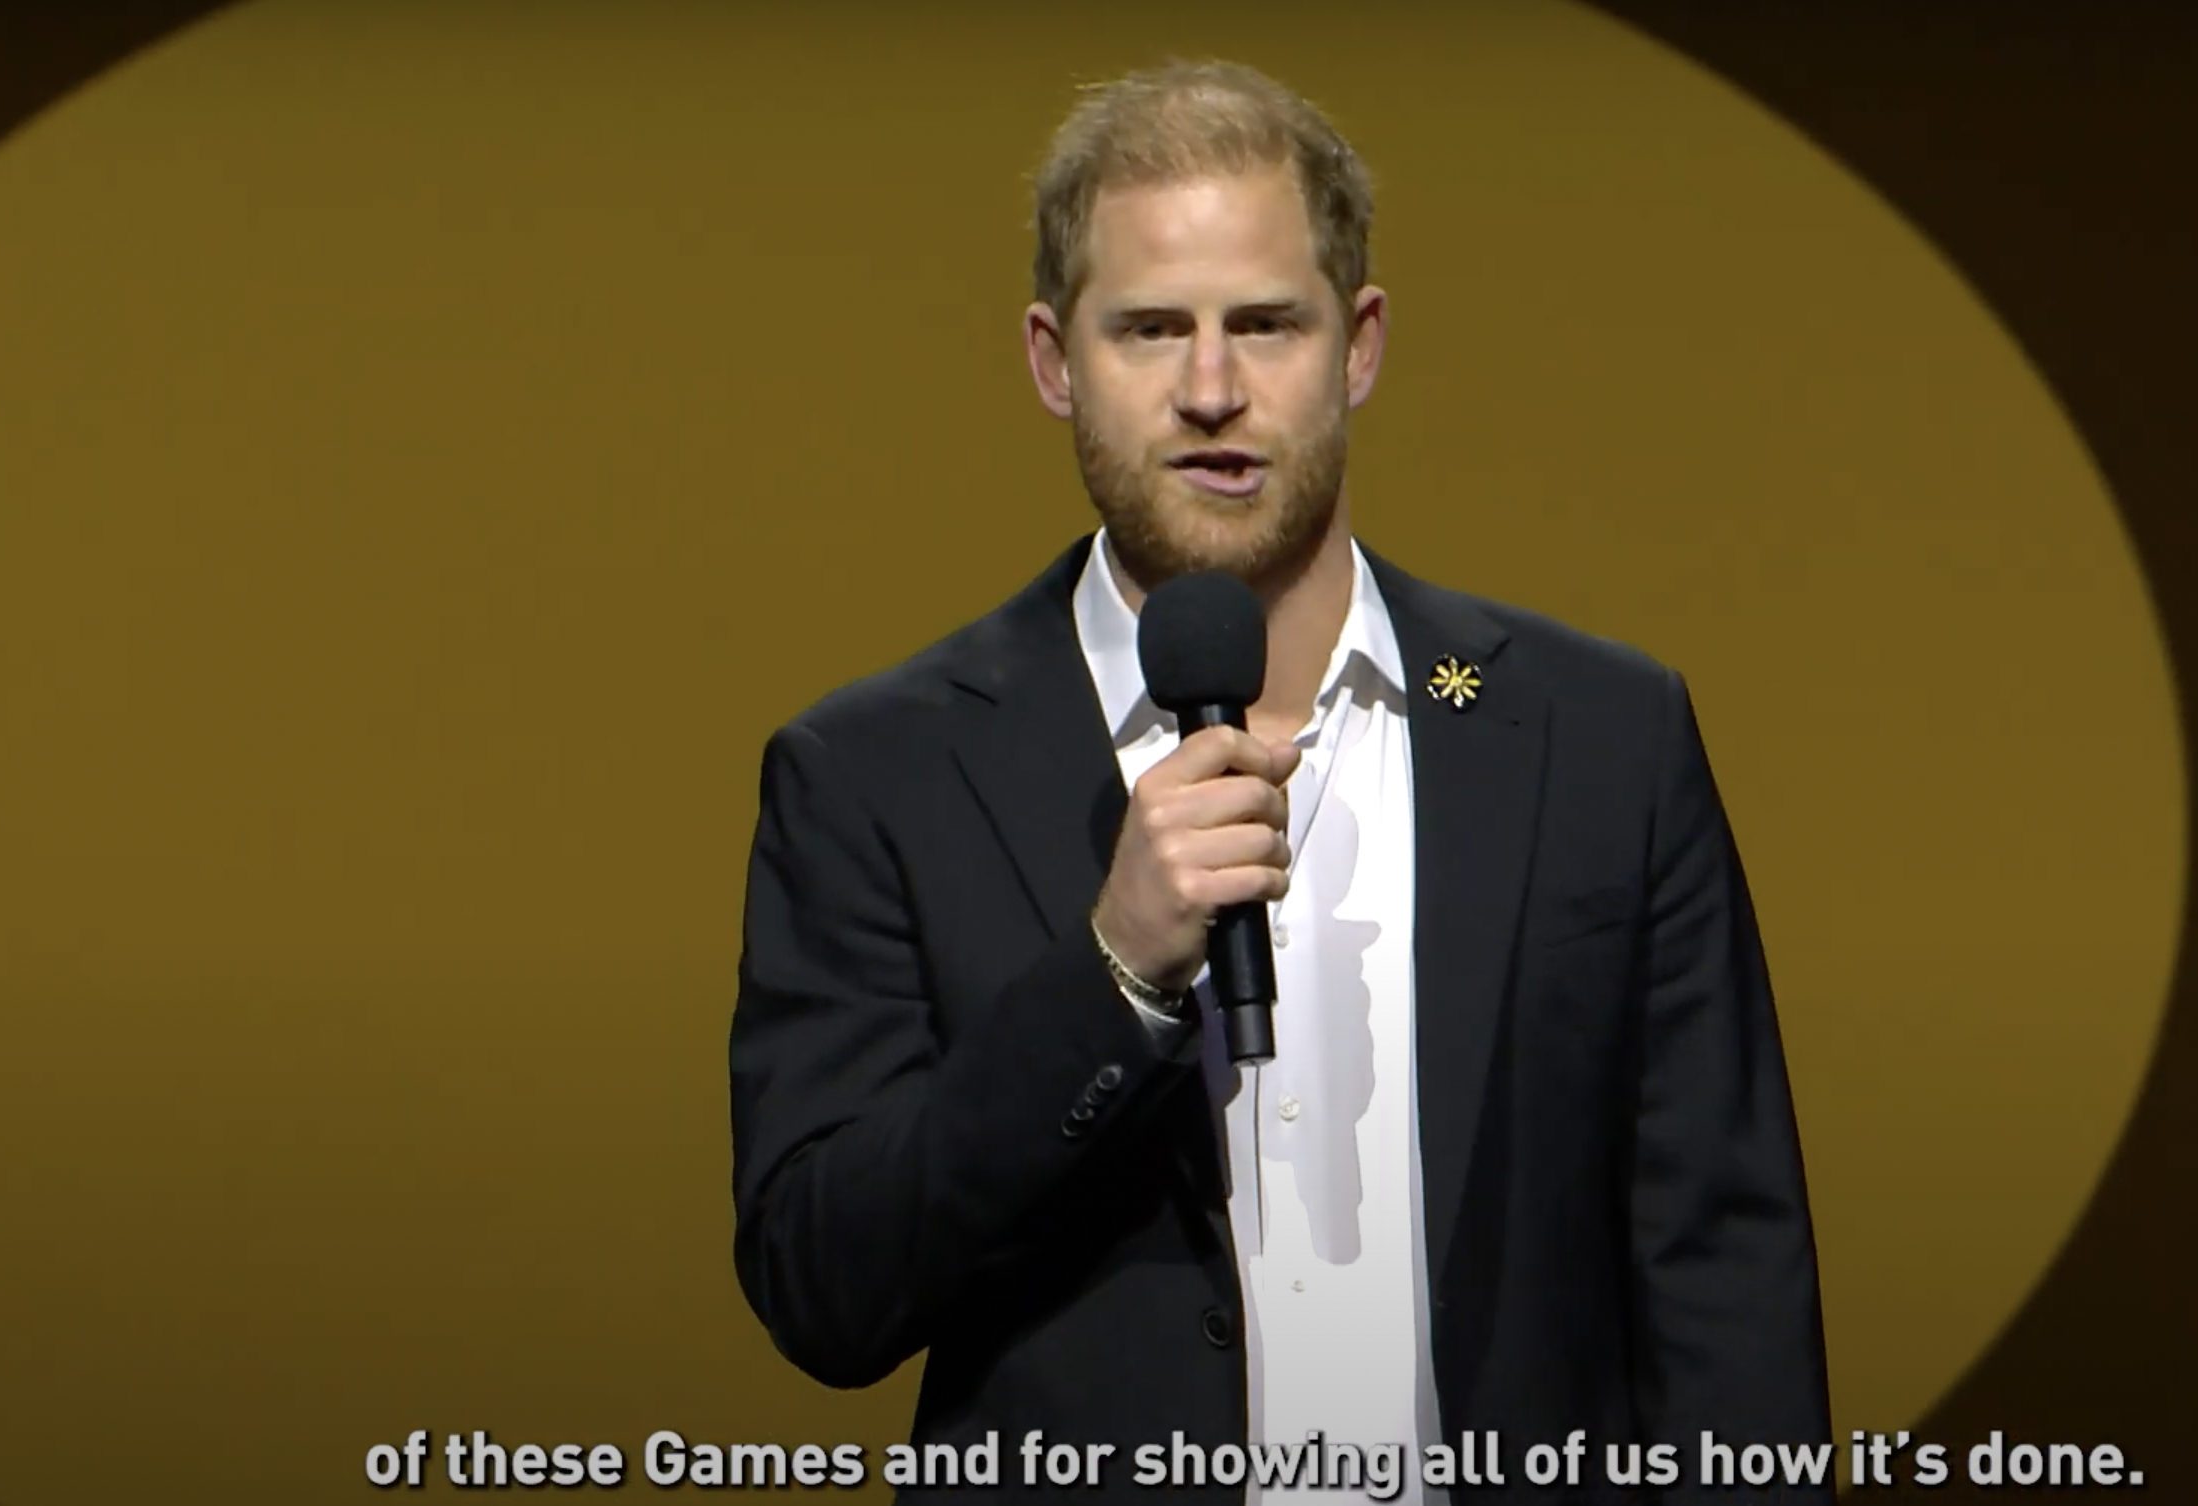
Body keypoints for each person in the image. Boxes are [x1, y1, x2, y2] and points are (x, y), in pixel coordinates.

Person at [728, 59, 1830, 1504]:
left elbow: (1727, 1282)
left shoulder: (1600, 736)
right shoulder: (877, 770)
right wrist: (1112, 972)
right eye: (1148, 331)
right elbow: (824, 1284)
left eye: (1264, 324)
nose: (1209, 391)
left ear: (1359, 343)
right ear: (1054, 361)